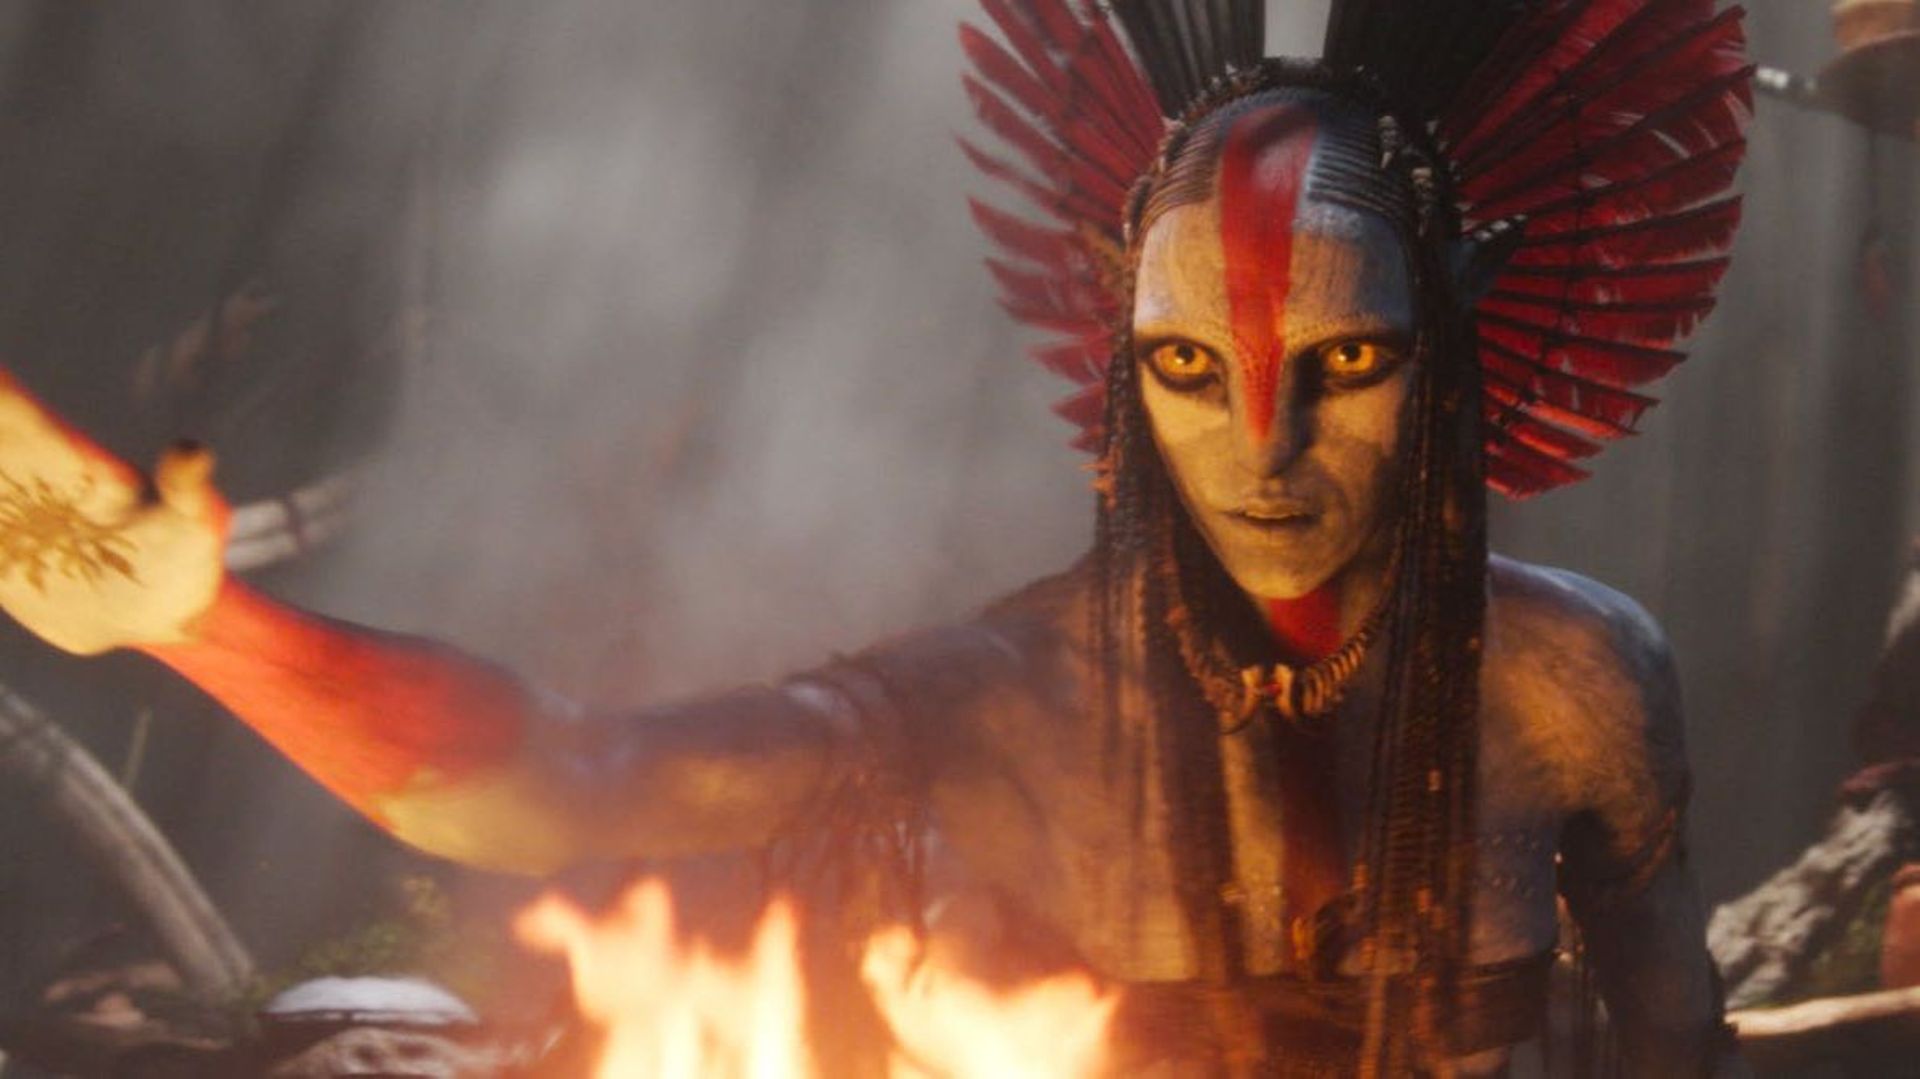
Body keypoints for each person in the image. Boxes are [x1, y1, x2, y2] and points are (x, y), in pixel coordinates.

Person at [0, 0, 1753, 1073]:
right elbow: (565, 782)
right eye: (1190, 369)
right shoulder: (1022, 691)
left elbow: (1677, 1037)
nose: (1265, 448)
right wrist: (205, 626)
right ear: (1124, 359)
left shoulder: (1578, 685)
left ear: (1454, 334)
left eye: (1346, 362)